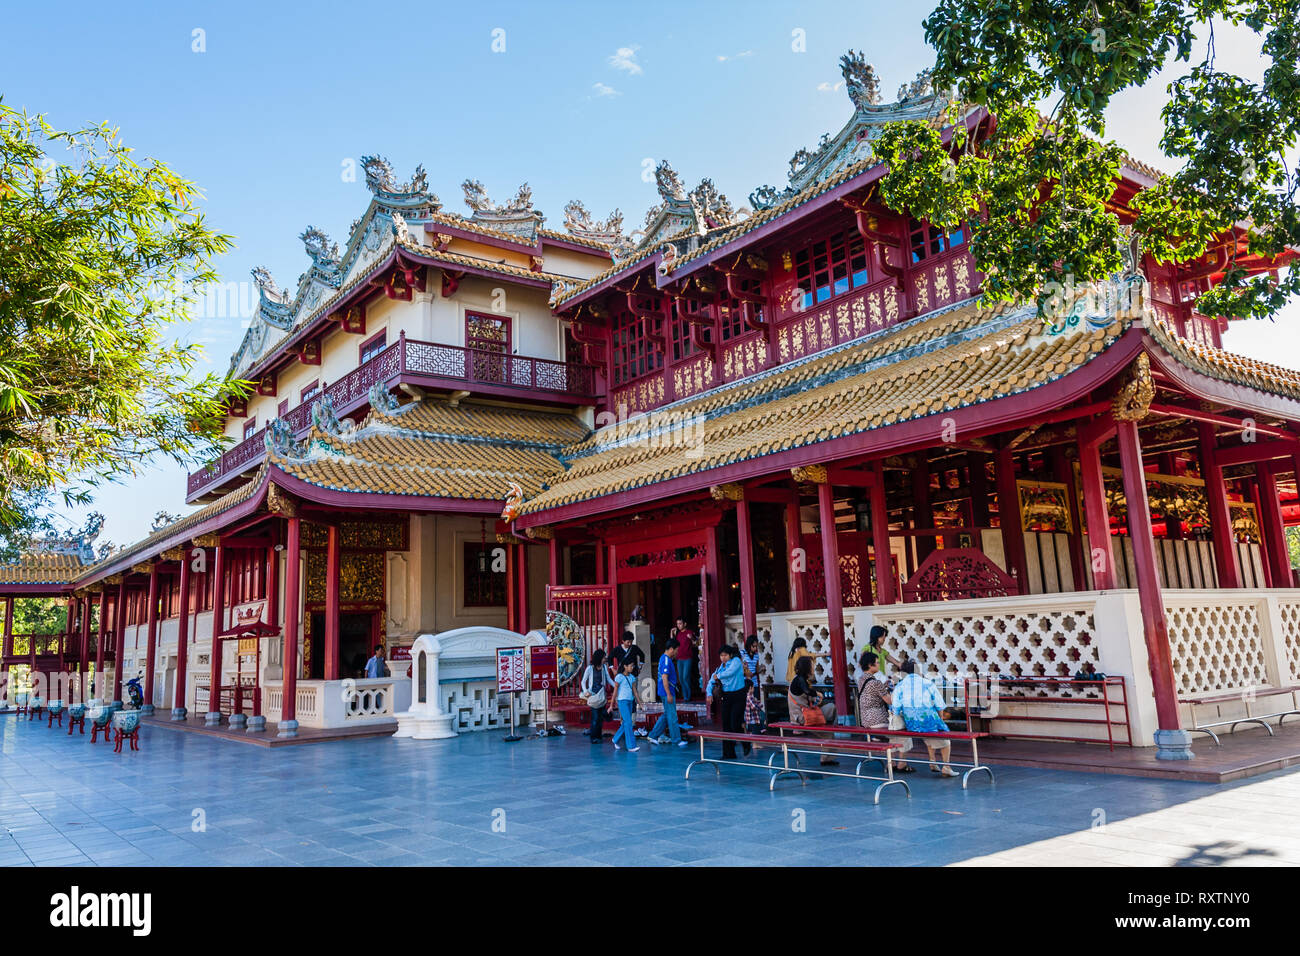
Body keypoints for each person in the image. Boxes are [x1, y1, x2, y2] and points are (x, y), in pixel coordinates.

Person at [891, 660, 957, 777]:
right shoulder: (927, 683)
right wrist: (940, 719)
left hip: (911, 723)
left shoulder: (899, 685)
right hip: (928, 721)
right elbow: (939, 704)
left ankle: (932, 762)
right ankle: (946, 767)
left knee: (928, 736)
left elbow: (895, 708)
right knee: (945, 740)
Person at [856, 652, 913, 773]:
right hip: (878, 720)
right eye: (877, 663)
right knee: (903, 733)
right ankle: (900, 764)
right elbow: (891, 701)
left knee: (896, 733)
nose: (878, 665)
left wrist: (885, 686)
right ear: (870, 665)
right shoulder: (875, 683)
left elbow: (873, 693)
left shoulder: (862, 679)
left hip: (866, 719)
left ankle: (891, 764)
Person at [787, 655, 837, 766]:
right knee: (828, 731)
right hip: (802, 718)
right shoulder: (799, 680)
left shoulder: (799, 680)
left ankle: (827, 755)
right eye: (812, 665)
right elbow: (807, 691)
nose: (813, 667)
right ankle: (826, 758)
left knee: (831, 712)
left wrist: (816, 700)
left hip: (805, 715)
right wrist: (817, 694)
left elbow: (805, 695)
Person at [704, 645, 746, 759]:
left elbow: (730, 673)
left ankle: (745, 742)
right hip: (726, 696)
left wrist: (718, 676)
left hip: (738, 695)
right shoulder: (720, 668)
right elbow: (711, 681)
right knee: (726, 725)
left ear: (730, 655)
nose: (723, 658)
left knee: (735, 723)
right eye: (721, 655)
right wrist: (709, 693)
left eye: (725, 655)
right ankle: (728, 753)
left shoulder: (736, 661)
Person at [648, 643, 687, 747]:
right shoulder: (666, 660)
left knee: (667, 714)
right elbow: (665, 677)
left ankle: (653, 735)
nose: (677, 652)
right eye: (676, 650)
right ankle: (676, 740)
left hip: (665, 691)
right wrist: (669, 694)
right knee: (672, 715)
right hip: (667, 691)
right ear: (671, 649)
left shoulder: (664, 659)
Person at [611, 631, 649, 737]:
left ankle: (632, 721)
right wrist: (613, 669)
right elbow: (610, 657)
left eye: (631, 641)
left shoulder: (634, 648)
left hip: (633, 676)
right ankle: (623, 721)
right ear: (623, 641)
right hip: (621, 677)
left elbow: (642, 655)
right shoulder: (617, 649)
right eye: (628, 642)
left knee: (633, 697)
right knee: (623, 698)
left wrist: (640, 666)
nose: (630, 643)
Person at [580, 649, 615, 743]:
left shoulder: (604, 667)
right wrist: (585, 691)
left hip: (601, 695)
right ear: (599, 657)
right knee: (595, 718)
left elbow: (608, 679)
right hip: (593, 696)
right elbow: (583, 681)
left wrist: (616, 686)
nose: (605, 659)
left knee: (600, 718)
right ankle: (594, 737)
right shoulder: (590, 668)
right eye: (604, 657)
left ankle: (598, 736)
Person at [739, 634, 764, 750]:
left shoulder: (756, 656)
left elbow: (756, 670)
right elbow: (743, 671)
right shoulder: (742, 654)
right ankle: (749, 731)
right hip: (746, 684)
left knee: (755, 708)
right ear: (749, 645)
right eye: (753, 646)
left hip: (754, 683)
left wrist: (759, 670)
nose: (755, 649)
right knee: (748, 708)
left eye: (756, 646)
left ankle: (756, 730)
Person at [612, 657, 639, 752]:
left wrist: (640, 703)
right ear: (625, 666)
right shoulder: (619, 677)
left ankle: (615, 739)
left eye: (633, 666)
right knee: (628, 722)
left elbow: (635, 692)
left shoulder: (632, 678)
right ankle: (631, 746)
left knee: (625, 723)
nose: (632, 667)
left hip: (630, 702)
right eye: (631, 666)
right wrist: (611, 705)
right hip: (622, 702)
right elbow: (615, 692)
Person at [670, 618, 697, 701]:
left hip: (688, 658)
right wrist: (671, 632)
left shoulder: (689, 632)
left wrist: (691, 638)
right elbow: (672, 643)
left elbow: (695, 642)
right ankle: (685, 696)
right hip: (679, 658)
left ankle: (688, 696)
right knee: (681, 678)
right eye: (677, 624)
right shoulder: (678, 634)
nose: (678, 625)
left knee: (686, 677)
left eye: (680, 623)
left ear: (685, 624)